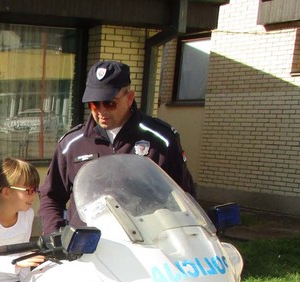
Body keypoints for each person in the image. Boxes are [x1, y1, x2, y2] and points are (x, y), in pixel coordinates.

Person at [39, 60, 196, 234]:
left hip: (146, 245)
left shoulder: (161, 140)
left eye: (109, 103)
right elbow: (51, 196)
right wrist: (55, 235)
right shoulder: (71, 144)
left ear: (129, 98)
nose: (101, 111)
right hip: (89, 249)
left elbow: (184, 197)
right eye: (94, 104)